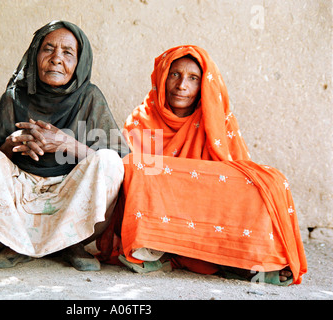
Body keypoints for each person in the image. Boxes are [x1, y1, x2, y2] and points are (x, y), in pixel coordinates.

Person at [97, 45, 307, 285]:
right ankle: (155, 249)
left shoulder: (216, 119)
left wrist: (194, 180)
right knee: (138, 167)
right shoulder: (142, 119)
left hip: (205, 206)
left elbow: (235, 169)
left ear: (204, 85)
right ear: (162, 76)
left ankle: (241, 259)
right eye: (174, 74)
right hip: (161, 210)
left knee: (266, 181)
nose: (182, 85)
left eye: (193, 78)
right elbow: (133, 178)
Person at [0, 20, 129, 271]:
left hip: (68, 191)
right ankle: (14, 242)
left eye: (67, 52)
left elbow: (121, 158)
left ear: (79, 62)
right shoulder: (15, 95)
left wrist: (65, 143)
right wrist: (13, 145)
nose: (56, 59)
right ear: (35, 54)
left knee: (109, 161)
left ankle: (72, 244)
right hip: (21, 190)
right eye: (48, 49)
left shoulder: (90, 97)